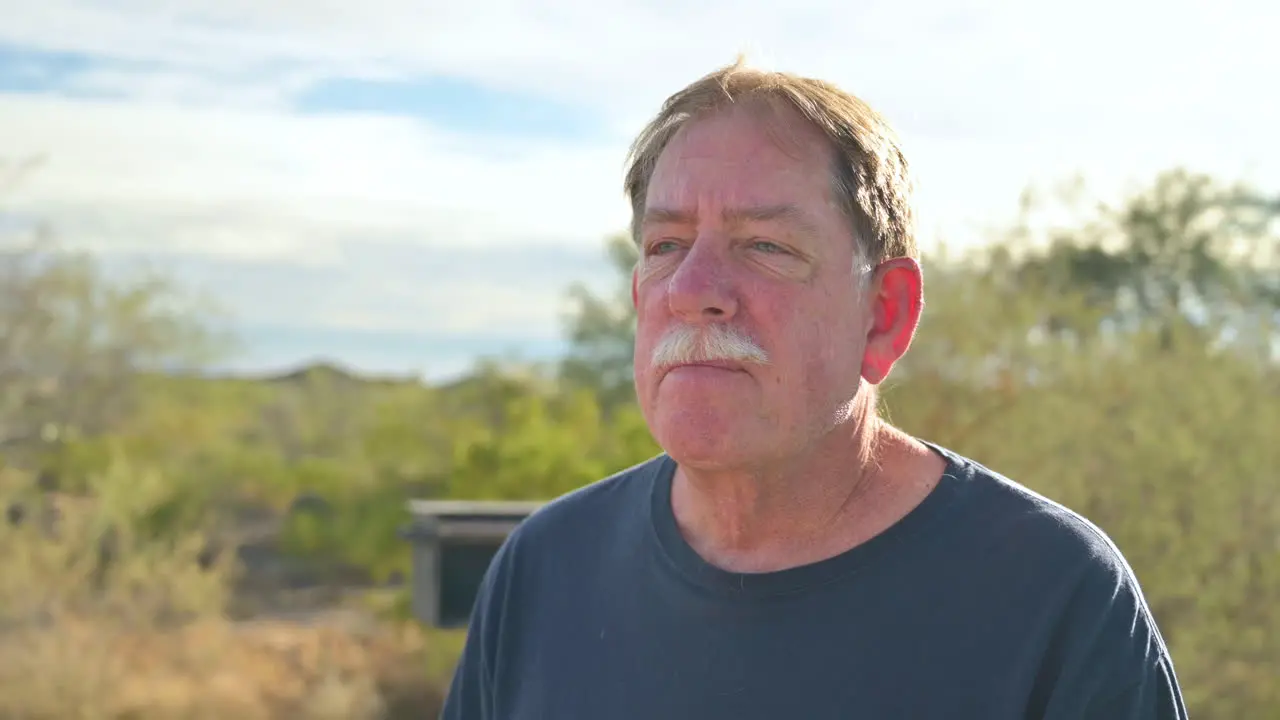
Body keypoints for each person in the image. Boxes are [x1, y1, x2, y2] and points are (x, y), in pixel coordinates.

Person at [440, 58, 1188, 719]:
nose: (694, 289)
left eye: (764, 246)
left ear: (884, 315)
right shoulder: (545, 572)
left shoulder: (1054, 599)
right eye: (666, 246)